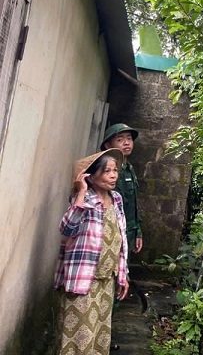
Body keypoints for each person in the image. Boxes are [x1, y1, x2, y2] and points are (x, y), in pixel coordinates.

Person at [54, 148, 129, 355]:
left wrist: (123, 275)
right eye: (107, 171)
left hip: (106, 282)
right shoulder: (85, 200)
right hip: (83, 282)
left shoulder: (117, 200)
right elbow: (67, 228)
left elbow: (120, 240)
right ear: (91, 176)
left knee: (99, 337)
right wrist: (80, 191)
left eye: (115, 170)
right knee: (79, 339)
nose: (114, 175)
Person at [101, 123, 142, 254]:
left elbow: (133, 204)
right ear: (108, 145)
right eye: (120, 139)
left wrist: (137, 231)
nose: (126, 143)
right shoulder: (104, 171)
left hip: (128, 232)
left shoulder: (129, 168)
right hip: (111, 231)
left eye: (129, 139)